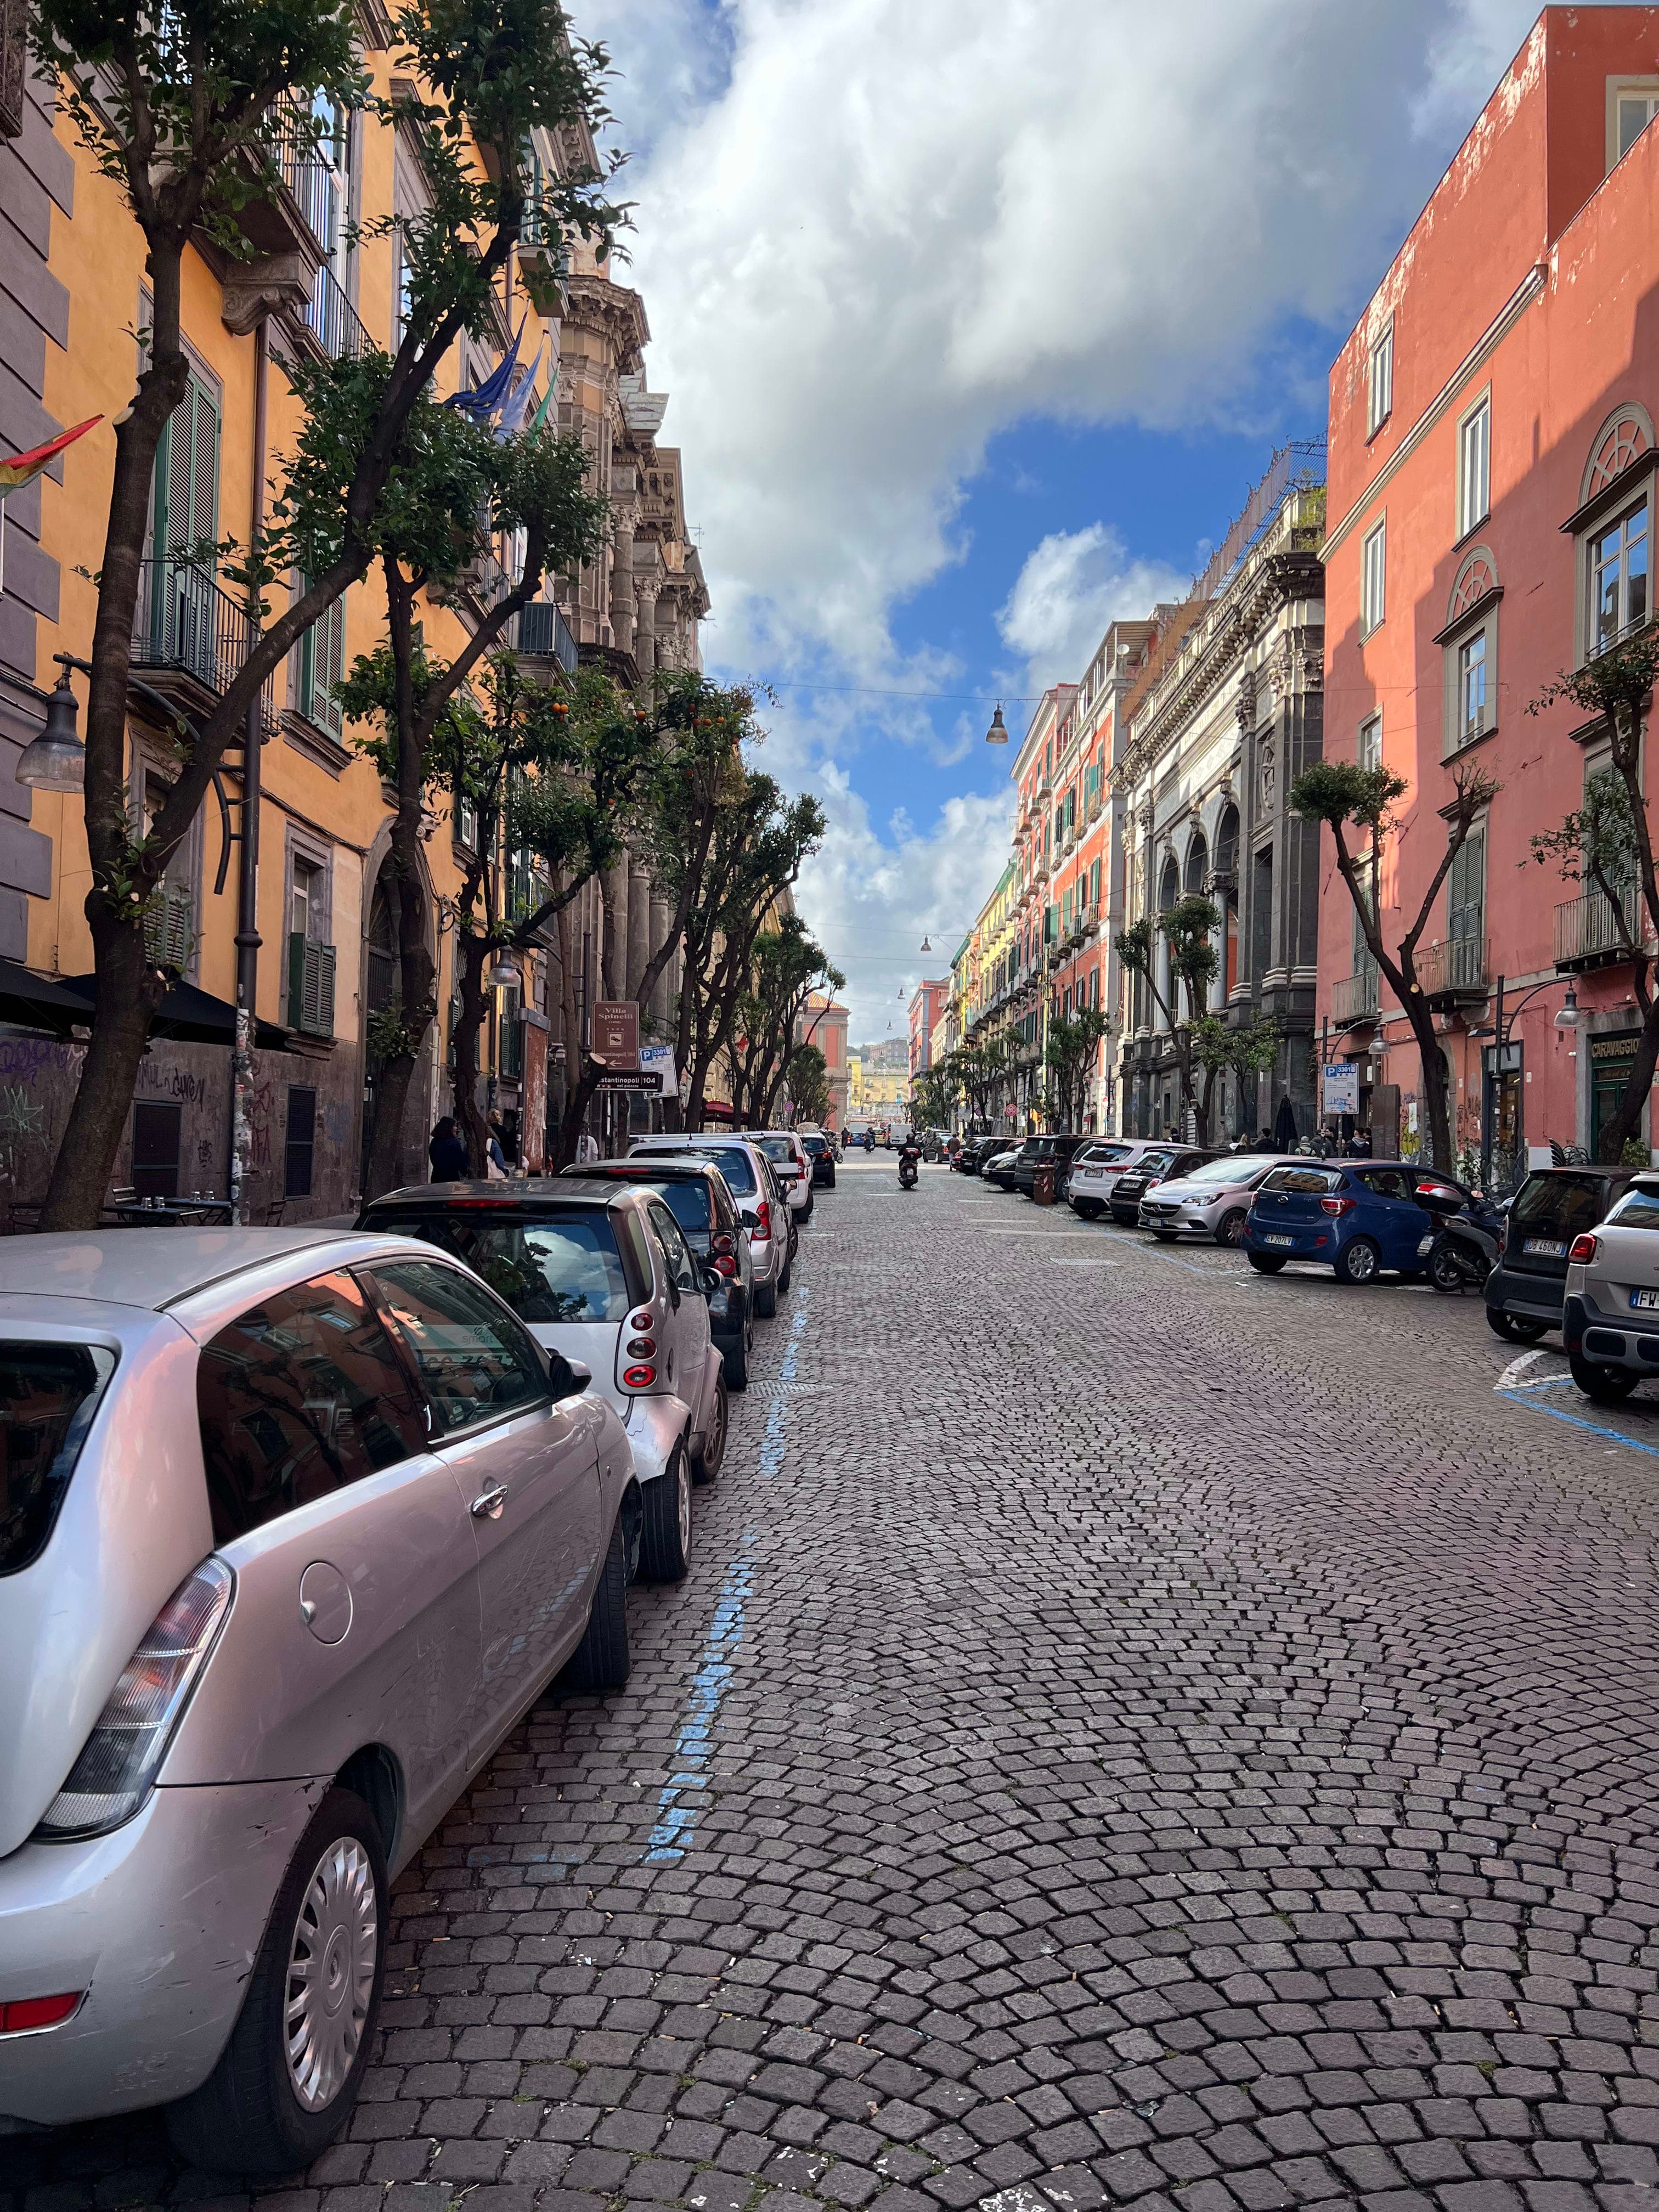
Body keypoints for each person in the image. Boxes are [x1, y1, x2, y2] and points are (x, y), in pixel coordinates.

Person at [429, 1115, 468, 1182]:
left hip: (436, 1177)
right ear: (449, 1128)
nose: (456, 1129)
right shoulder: (453, 1142)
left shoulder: (434, 1142)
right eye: (455, 1126)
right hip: (451, 1177)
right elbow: (460, 1160)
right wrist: (465, 1172)